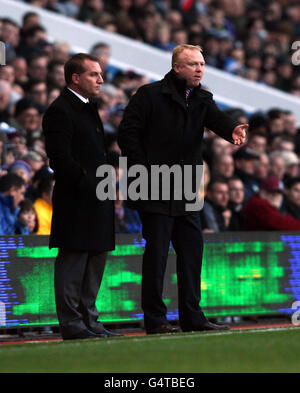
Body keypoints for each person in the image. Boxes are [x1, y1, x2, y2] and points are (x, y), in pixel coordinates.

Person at [118, 44, 248, 334]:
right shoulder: (149, 95)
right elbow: (128, 135)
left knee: (192, 253)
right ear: (177, 67)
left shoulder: (202, 97)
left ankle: (193, 316)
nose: (199, 69)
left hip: (186, 188)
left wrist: (232, 130)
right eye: (193, 64)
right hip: (154, 185)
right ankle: (156, 320)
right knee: (157, 256)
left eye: (202, 64)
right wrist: (143, 171)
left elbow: (216, 119)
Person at [42, 53, 121, 340]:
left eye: (100, 74)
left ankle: (90, 321)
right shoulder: (60, 110)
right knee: (73, 262)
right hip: (76, 200)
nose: (101, 79)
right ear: (75, 78)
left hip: (97, 198)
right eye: (94, 74)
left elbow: (92, 152)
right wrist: (89, 182)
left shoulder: (88, 108)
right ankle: (72, 324)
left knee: (96, 261)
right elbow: (60, 159)